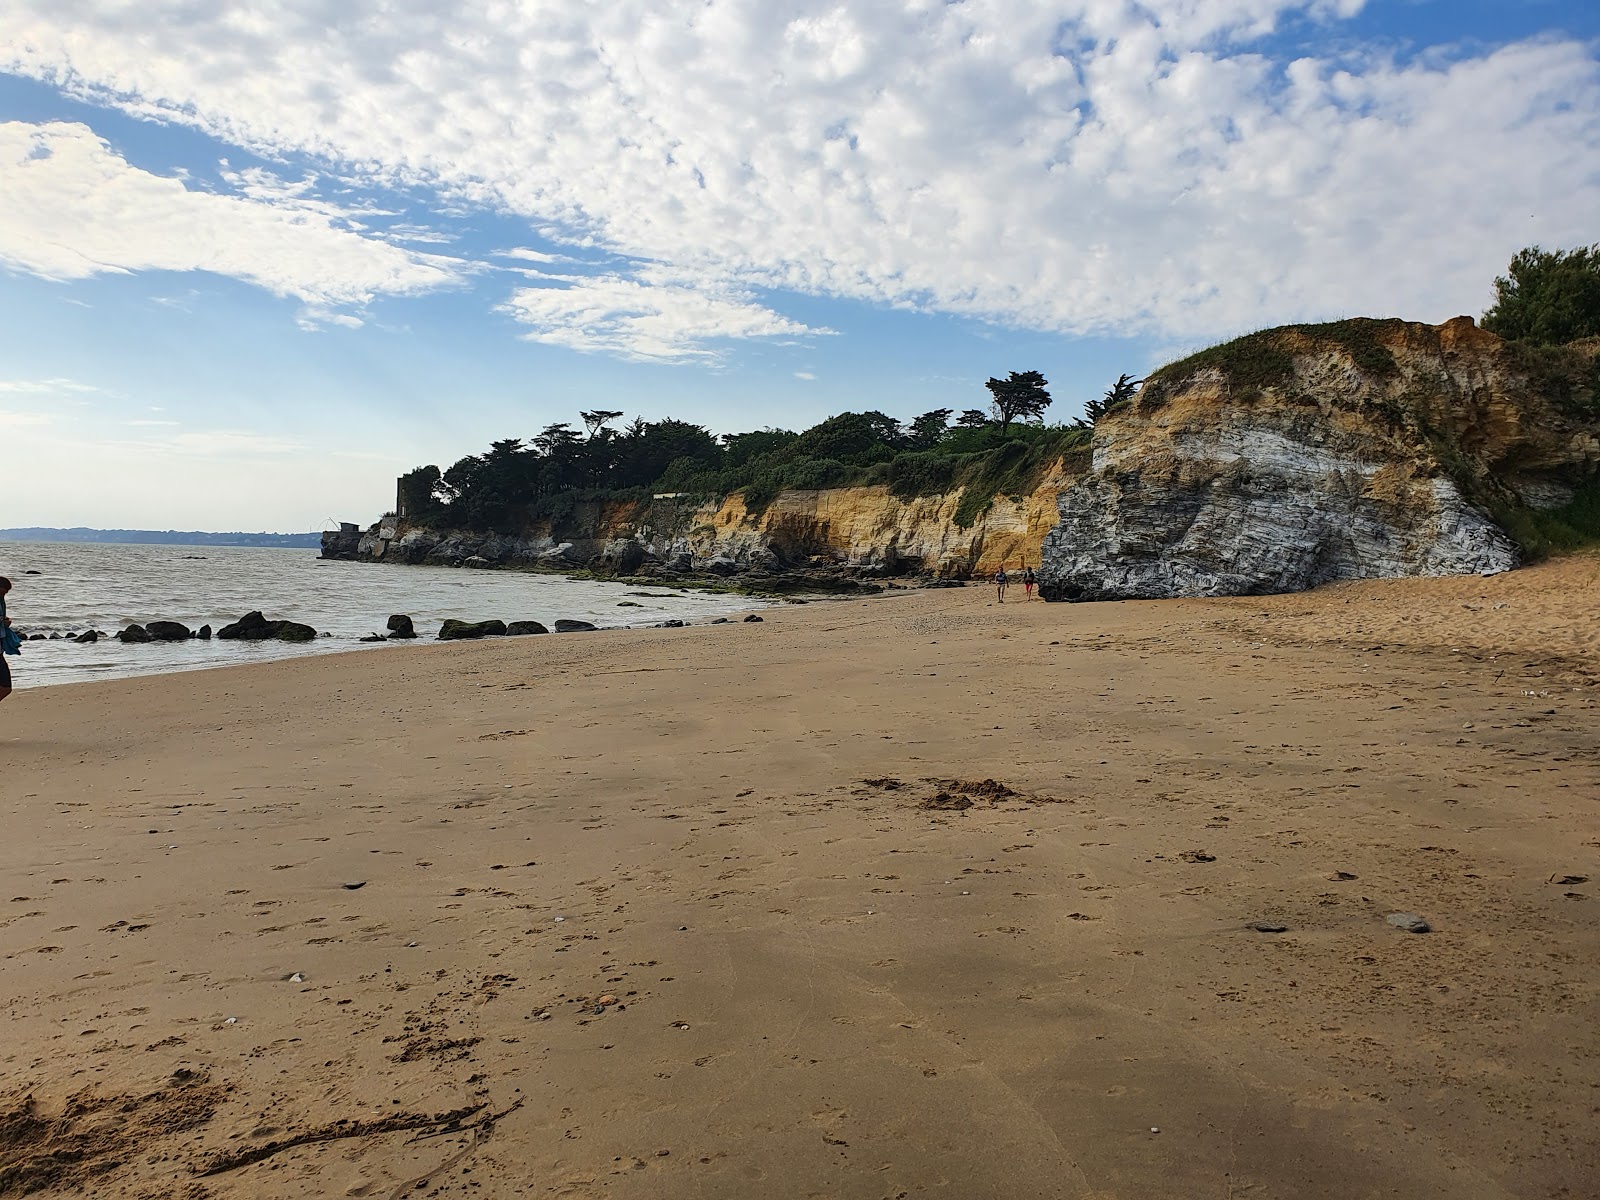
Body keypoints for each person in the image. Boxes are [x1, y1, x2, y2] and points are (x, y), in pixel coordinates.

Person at [0, 576, 15, 704]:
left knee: (6, 687)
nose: (5, 593)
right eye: (4, 590)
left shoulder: (1, 602)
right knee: (5, 686)